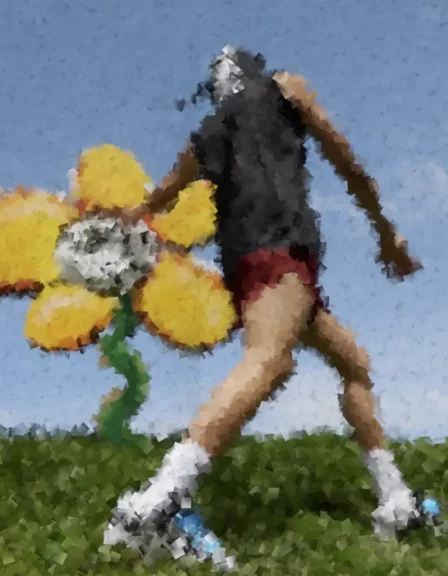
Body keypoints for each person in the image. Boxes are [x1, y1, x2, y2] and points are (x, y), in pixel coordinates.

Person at [103, 46, 439, 571]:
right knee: (270, 359)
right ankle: (156, 504)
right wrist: (385, 229)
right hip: (282, 248)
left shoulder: (208, 134)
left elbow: (161, 195)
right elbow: (342, 153)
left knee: (354, 363)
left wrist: (129, 217)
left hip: (248, 262)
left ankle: (395, 499)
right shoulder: (284, 86)